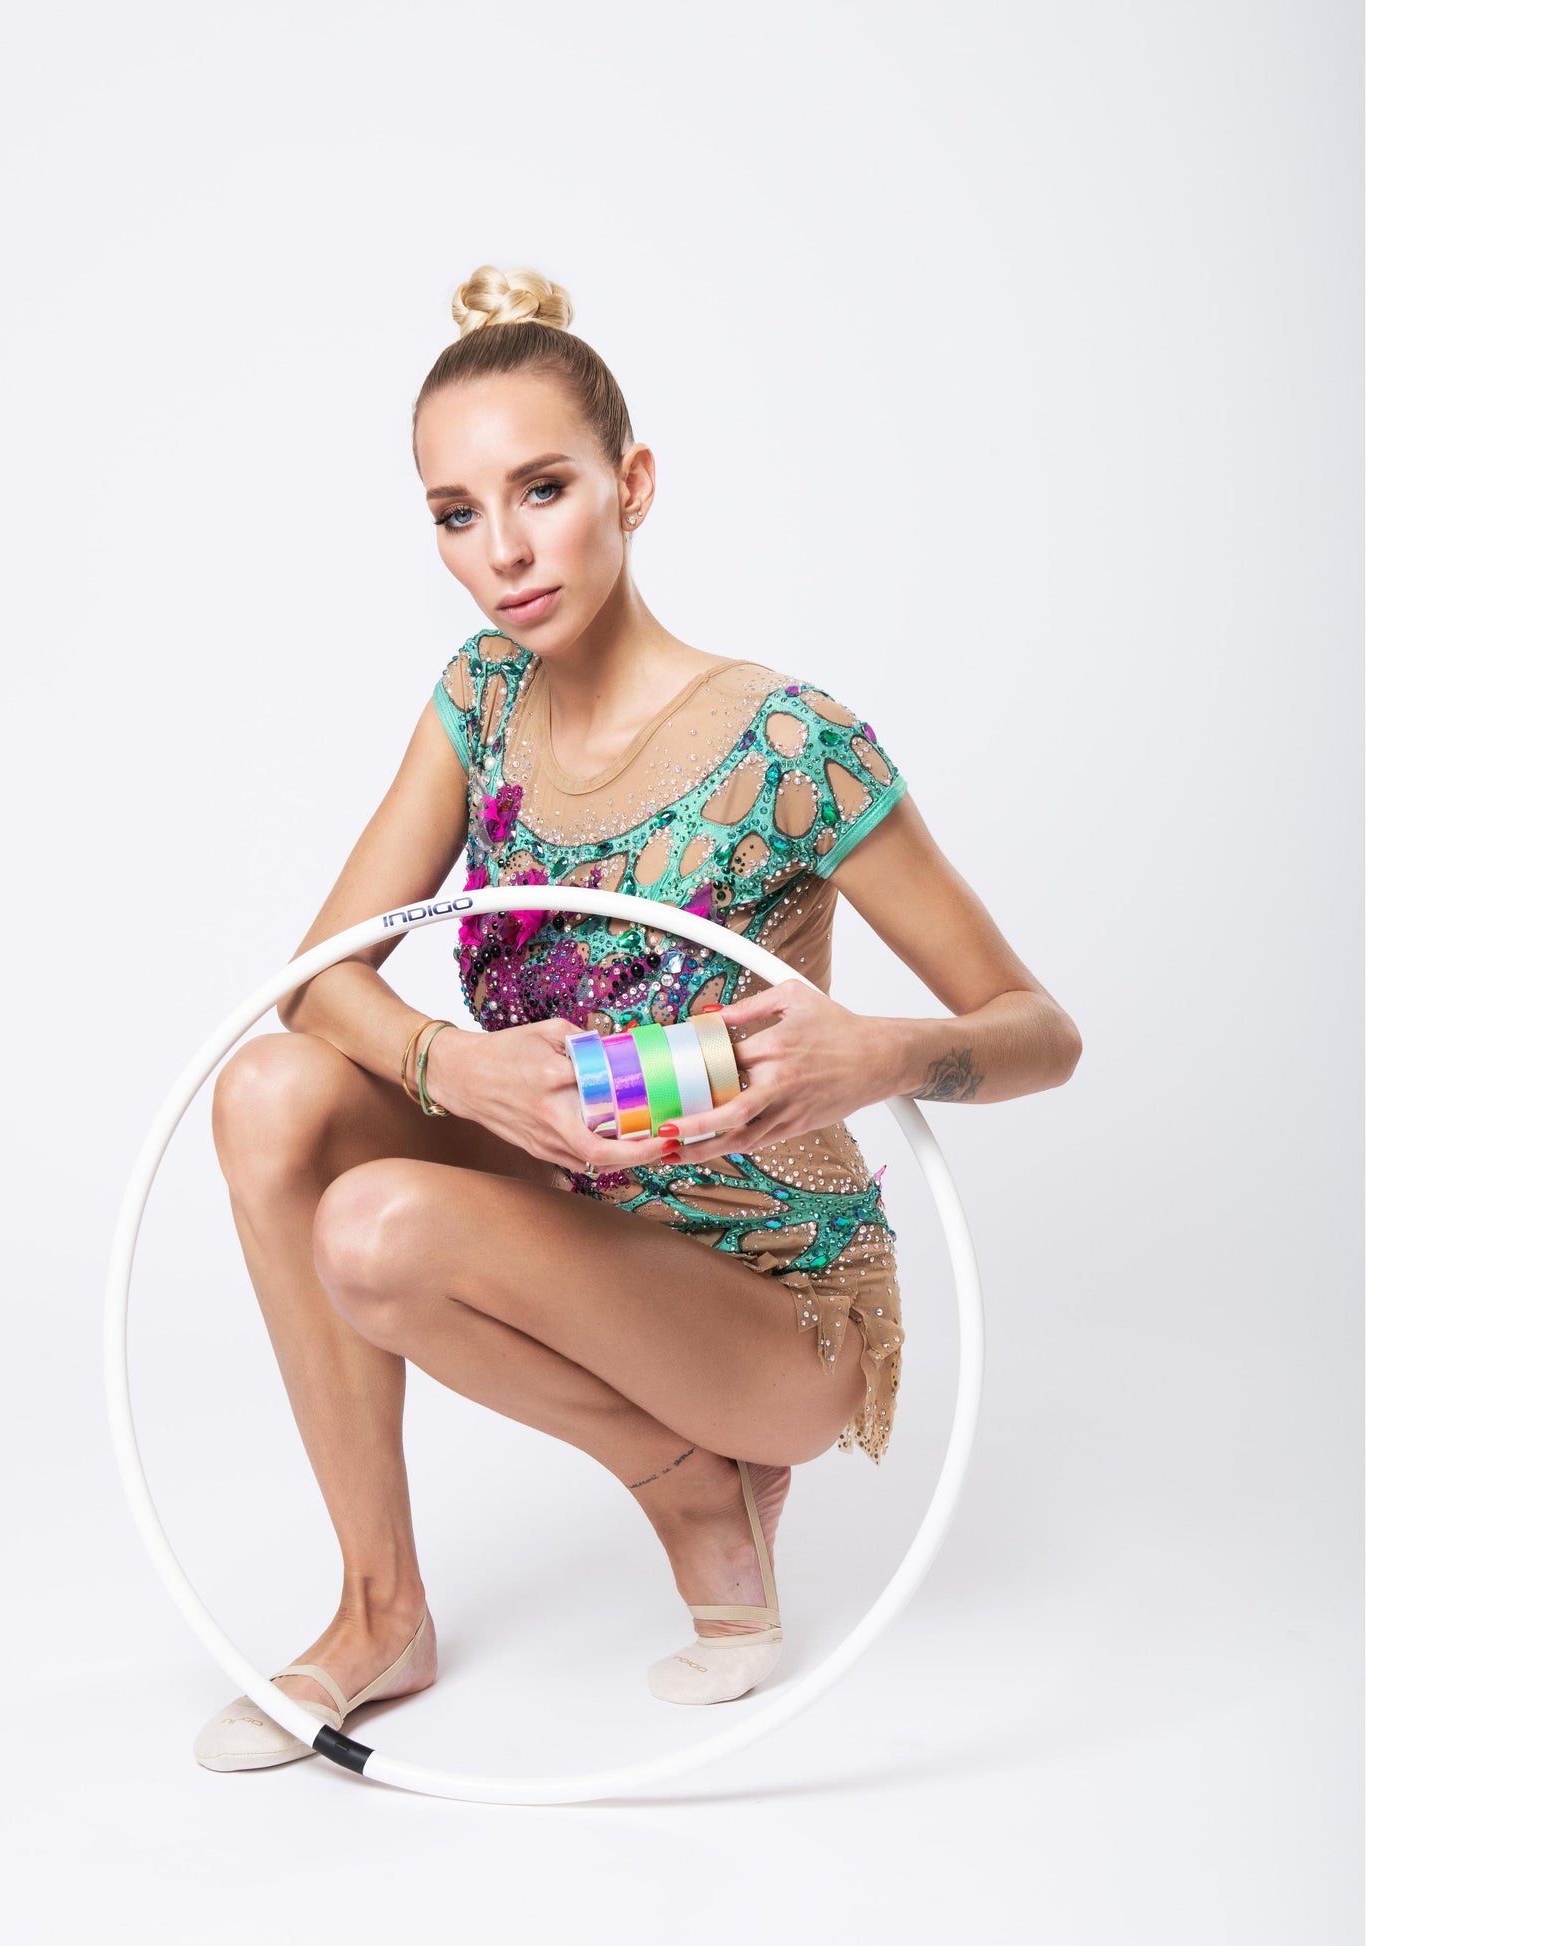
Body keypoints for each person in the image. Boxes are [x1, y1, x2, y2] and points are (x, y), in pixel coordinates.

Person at [192, 264, 1082, 1771]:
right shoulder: (479, 701)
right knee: (268, 1091)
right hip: (562, 1204)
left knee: (378, 1230)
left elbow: (1038, 1028)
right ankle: (379, 1611)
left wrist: (874, 1051)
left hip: (765, 1298)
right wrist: (456, 1067)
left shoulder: (789, 744)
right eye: (456, 512)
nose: (502, 550)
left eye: (541, 489)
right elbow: (319, 977)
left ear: (633, 484)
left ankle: (690, 1482)